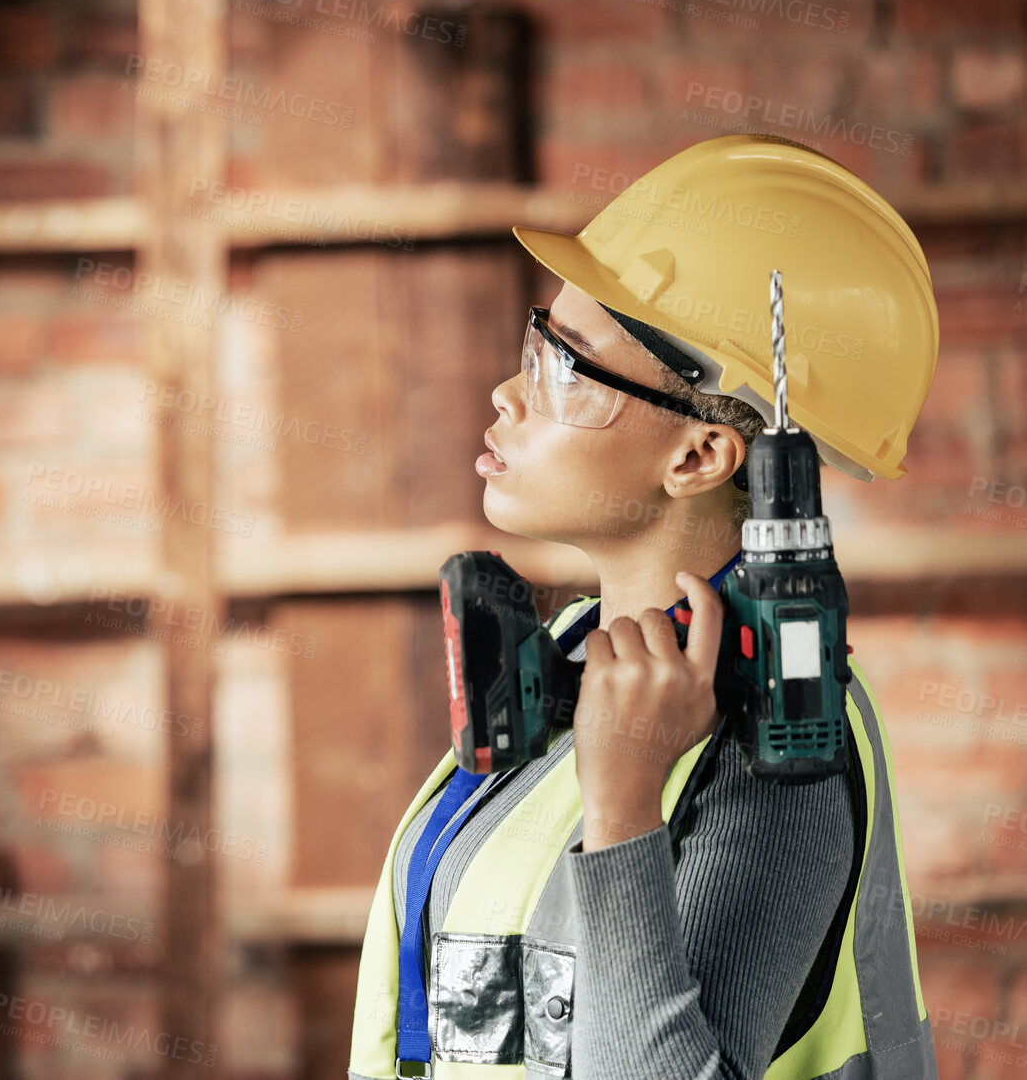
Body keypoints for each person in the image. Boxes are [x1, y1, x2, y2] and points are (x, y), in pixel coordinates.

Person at [347, 135, 939, 1079]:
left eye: (562, 369)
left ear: (699, 457)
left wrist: (623, 805)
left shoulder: (777, 739)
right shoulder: (576, 660)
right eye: (535, 346)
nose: (506, 395)